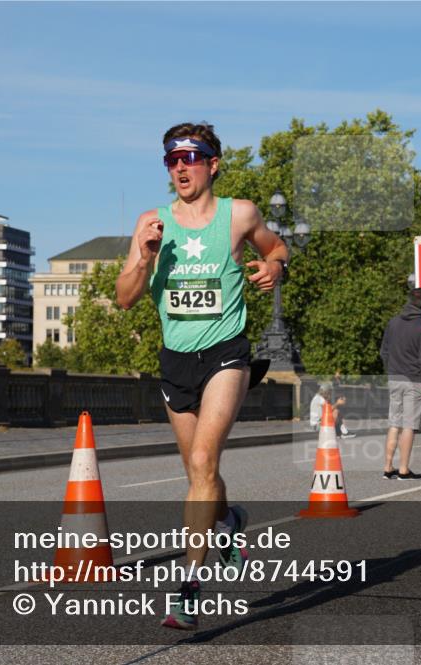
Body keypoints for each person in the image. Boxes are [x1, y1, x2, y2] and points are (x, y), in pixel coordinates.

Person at [115, 122, 288, 630]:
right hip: (176, 360)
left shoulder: (240, 215)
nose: (181, 167)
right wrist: (144, 258)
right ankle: (230, 521)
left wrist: (275, 268)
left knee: (203, 458)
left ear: (212, 164)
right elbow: (125, 297)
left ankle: (189, 585)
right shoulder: (151, 222)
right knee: (200, 477)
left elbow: (277, 249)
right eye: (172, 160)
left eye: (191, 157)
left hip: (225, 353)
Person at [381, 287, 421, 480]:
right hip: (414, 381)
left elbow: (383, 352)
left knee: (394, 423)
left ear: (408, 301)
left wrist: (391, 370)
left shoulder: (393, 323)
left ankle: (388, 468)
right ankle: (404, 469)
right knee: (409, 425)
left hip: (394, 378)